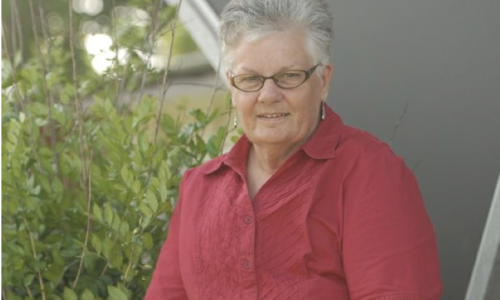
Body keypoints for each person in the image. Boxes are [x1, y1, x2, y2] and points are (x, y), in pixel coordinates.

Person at [144, 0, 443, 299]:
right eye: (250, 79)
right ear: (233, 88)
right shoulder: (199, 188)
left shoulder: (370, 176)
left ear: (323, 81)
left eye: (289, 76)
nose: (268, 95)